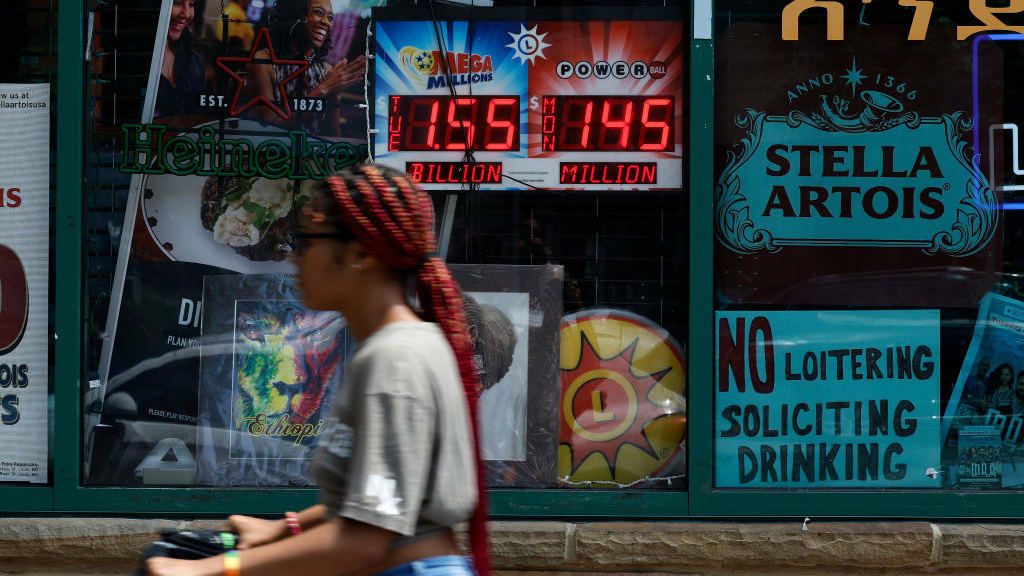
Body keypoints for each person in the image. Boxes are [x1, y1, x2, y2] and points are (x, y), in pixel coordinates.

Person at [146, 164, 491, 576]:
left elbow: (365, 538)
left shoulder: (395, 361)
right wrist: (282, 529)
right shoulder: (396, 347)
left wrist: (215, 569)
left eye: (306, 240)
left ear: (360, 253)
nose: (294, 256)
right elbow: (375, 492)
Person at [246, 0, 366, 137]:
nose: (326, 22)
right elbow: (269, 128)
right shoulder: (263, 62)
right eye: (318, 13)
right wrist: (323, 89)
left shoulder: (327, 71)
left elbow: (332, 137)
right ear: (295, 15)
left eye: (330, 17)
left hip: (312, 157)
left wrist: (334, 93)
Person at [155, 0, 206, 118]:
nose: (187, 14)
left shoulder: (194, 62)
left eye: (191, 5)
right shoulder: (131, 59)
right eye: (177, 3)